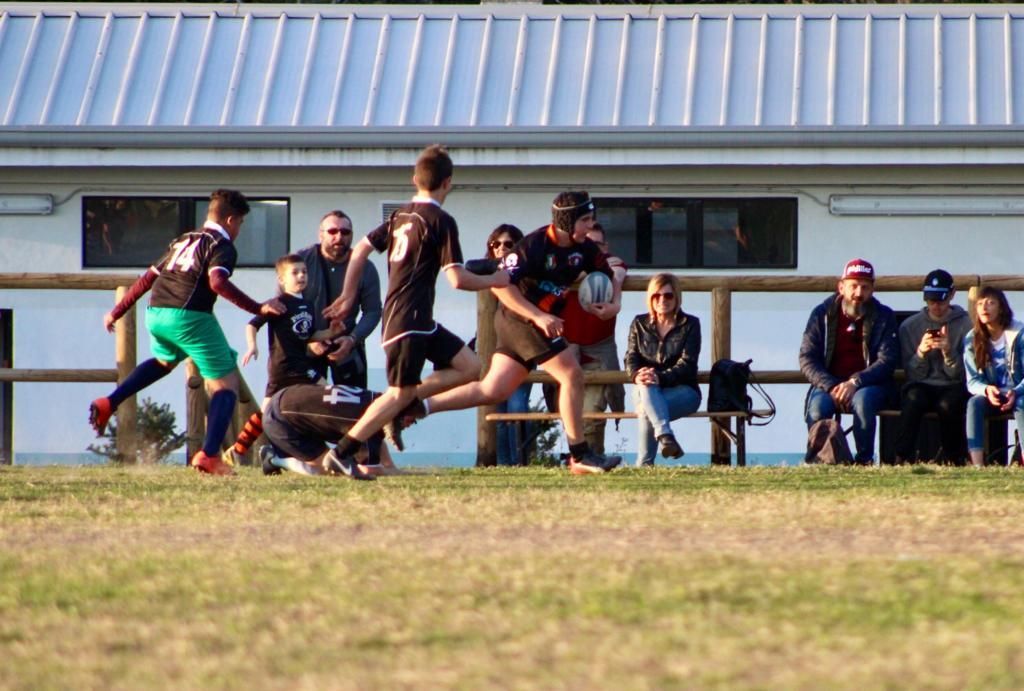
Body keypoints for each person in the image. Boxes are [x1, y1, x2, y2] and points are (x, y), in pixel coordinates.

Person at [320, 144, 509, 475]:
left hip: (419, 322)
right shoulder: (441, 221)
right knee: (397, 393)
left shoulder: (399, 216)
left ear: (414, 179)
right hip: (407, 322)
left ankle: (409, 406)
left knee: (470, 366)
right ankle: (342, 452)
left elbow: (360, 249)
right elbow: (457, 279)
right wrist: (496, 279)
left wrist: (348, 294)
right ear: (447, 183)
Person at [412, 190, 621, 475]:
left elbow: (611, 275)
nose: (590, 226)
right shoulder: (533, 245)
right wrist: (538, 316)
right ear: (567, 221)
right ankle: (580, 455)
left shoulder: (585, 249)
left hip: (531, 324)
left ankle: (419, 407)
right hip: (521, 321)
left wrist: (615, 304)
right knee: (572, 374)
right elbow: (500, 285)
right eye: (585, 220)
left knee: (493, 389)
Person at [89, 189, 285, 476]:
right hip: (189, 317)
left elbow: (148, 278)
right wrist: (258, 307)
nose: (239, 230)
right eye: (241, 223)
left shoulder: (184, 239)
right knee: (226, 386)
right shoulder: (221, 245)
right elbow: (217, 282)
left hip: (157, 313)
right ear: (231, 220)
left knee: (164, 361)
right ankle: (209, 456)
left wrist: (117, 311)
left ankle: (110, 402)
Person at [225, 254, 336, 463]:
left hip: (302, 366)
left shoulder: (308, 305)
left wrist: (331, 332)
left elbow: (309, 335)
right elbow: (252, 324)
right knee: (267, 411)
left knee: (327, 395)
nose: (301, 276)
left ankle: (325, 451)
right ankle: (237, 451)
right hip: (282, 368)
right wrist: (252, 346)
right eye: (295, 272)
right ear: (282, 279)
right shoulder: (278, 304)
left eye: (304, 272)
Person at [799, 258, 898, 464]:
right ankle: (822, 461)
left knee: (863, 401)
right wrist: (832, 386)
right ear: (841, 287)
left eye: (865, 287)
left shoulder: (884, 316)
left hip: (869, 385)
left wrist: (855, 382)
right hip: (829, 383)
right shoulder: (822, 314)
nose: (858, 293)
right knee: (817, 408)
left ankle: (864, 461)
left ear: (872, 290)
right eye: (853, 286)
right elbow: (807, 358)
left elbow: (887, 360)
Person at [542, 222, 627, 455]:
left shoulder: (610, 264)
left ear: (605, 247)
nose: (592, 249)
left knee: (592, 415)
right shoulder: (562, 266)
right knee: (571, 416)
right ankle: (581, 459)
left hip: (598, 354)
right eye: (587, 243)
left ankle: (593, 458)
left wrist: (616, 302)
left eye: (597, 244)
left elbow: (617, 270)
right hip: (565, 352)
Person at [297, 210, 382, 388]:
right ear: (321, 234)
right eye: (332, 231)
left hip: (347, 344)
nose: (339, 237)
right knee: (305, 401)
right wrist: (306, 343)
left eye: (345, 232)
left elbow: (373, 311)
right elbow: (286, 306)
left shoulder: (366, 267)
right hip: (308, 346)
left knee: (353, 401)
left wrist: (352, 339)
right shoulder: (301, 261)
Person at [894, 269, 971, 463]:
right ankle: (901, 457)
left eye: (941, 300)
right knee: (913, 398)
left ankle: (955, 459)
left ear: (952, 295)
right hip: (922, 384)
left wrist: (948, 353)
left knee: (949, 404)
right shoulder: (909, 327)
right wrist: (921, 353)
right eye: (931, 300)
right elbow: (912, 375)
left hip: (952, 385)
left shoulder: (967, 326)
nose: (936, 306)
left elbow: (961, 375)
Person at [625, 273, 701, 466]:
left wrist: (660, 377)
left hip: (684, 391)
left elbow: (687, 364)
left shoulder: (690, 324)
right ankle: (665, 436)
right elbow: (631, 357)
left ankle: (645, 464)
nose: (662, 300)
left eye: (668, 295)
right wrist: (636, 375)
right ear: (650, 298)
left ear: (677, 297)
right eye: (656, 296)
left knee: (646, 408)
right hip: (645, 388)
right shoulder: (639, 323)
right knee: (646, 390)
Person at [260, 383, 397, 480]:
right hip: (281, 417)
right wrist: (399, 473)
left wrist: (391, 468)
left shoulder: (374, 401)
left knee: (334, 464)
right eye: (408, 420)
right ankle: (273, 459)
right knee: (327, 469)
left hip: (288, 401)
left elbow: (384, 461)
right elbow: (369, 470)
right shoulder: (366, 419)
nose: (407, 425)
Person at [482, 224, 534, 466]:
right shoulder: (485, 275)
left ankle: (521, 461)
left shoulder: (523, 276)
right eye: (496, 244)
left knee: (517, 406)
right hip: (492, 350)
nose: (501, 248)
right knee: (499, 412)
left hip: (520, 347)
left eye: (508, 244)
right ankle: (504, 464)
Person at [963, 287, 1024, 467]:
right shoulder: (972, 338)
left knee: (1022, 403)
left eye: (990, 303)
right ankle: (977, 465)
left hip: (1018, 392)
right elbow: (972, 380)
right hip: (993, 394)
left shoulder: (1019, 333)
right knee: (974, 403)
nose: (984, 308)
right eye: (980, 304)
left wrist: (1016, 391)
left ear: (1001, 307)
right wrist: (986, 390)